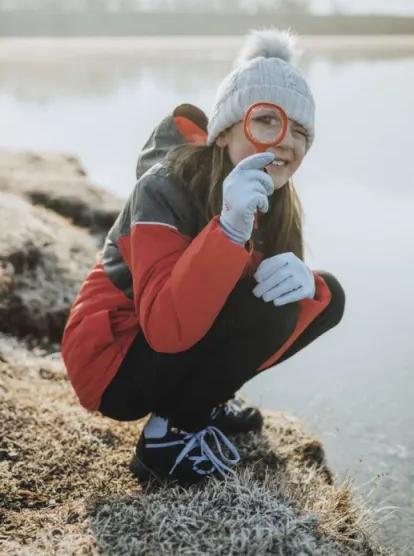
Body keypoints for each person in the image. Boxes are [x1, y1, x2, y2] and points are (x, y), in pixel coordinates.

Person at [61, 27, 345, 488]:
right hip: (113, 362)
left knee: (325, 296)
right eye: (268, 120)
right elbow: (165, 327)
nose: (286, 141)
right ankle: (164, 439)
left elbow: (251, 302)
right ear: (225, 131)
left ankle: (206, 398)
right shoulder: (163, 188)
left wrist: (307, 284)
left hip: (173, 343)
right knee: (269, 310)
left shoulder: (276, 195)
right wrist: (228, 230)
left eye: (301, 132)